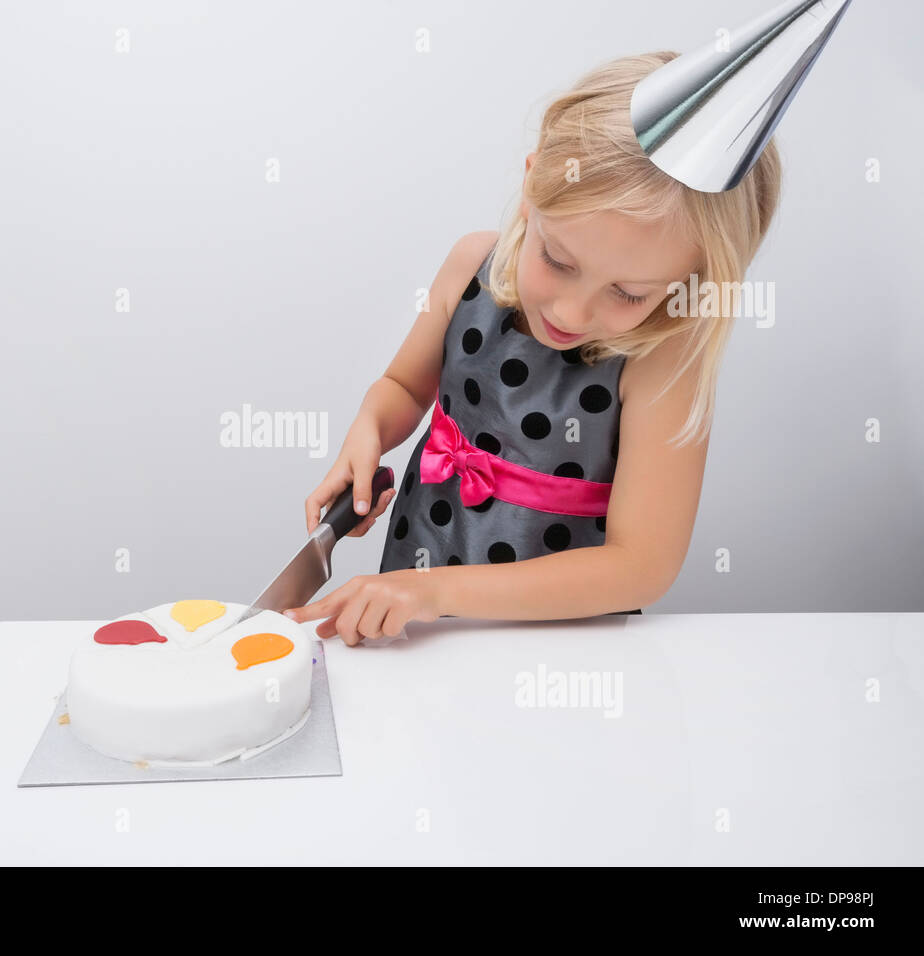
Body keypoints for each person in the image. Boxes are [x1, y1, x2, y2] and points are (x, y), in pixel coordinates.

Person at [283, 52, 782, 644]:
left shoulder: (664, 362)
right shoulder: (472, 264)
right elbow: (402, 388)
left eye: (627, 293)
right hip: (420, 582)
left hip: (554, 638)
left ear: (689, 283)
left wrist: (437, 591)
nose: (571, 313)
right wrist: (368, 430)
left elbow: (642, 567)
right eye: (557, 260)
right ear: (531, 180)